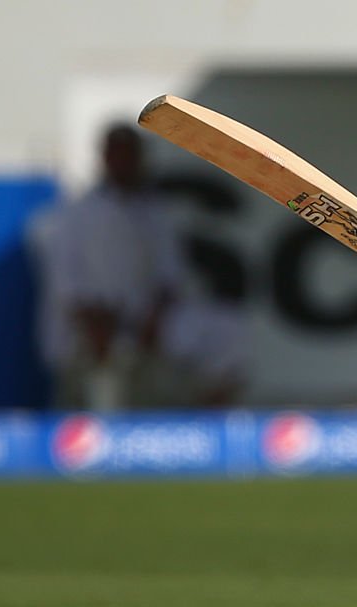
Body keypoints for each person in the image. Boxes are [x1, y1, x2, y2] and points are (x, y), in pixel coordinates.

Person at [30, 124, 247, 409]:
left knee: (231, 330)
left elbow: (171, 276)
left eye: (130, 154)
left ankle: (204, 425)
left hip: (145, 321)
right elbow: (65, 287)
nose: (124, 162)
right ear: (104, 158)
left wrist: (153, 319)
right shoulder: (75, 215)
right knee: (105, 371)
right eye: (117, 154)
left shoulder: (155, 212)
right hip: (89, 329)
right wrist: (95, 327)